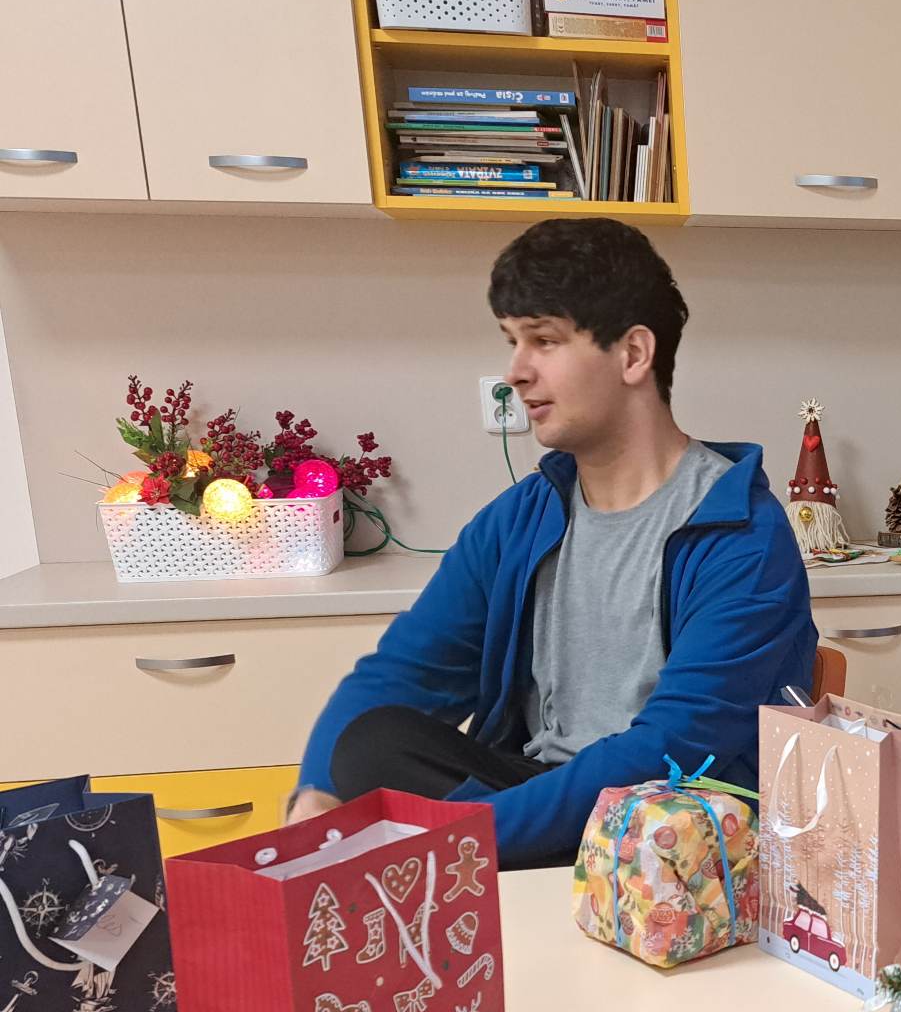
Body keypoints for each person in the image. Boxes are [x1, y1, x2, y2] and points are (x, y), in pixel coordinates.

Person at [289, 218, 817, 867]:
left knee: (421, 824)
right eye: (512, 341)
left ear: (632, 354)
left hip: (673, 832)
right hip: (538, 799)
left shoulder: (742, 535)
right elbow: (401, 675)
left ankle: (456, 865)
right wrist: (315, 797)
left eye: (544, 340)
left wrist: (456, 839)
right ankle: (467, 864)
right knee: (370, 743)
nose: (515, 372)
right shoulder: (519, 520)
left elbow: (673, 747)